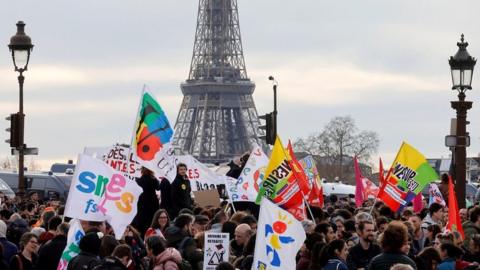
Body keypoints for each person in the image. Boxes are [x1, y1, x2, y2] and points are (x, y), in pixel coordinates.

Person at [133, 167, 161, 236]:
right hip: (152, 204)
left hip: (142, 204)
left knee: (142, 222)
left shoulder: (138, 180)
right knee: (151, 221)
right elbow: (158, 187)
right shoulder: (153, 180)